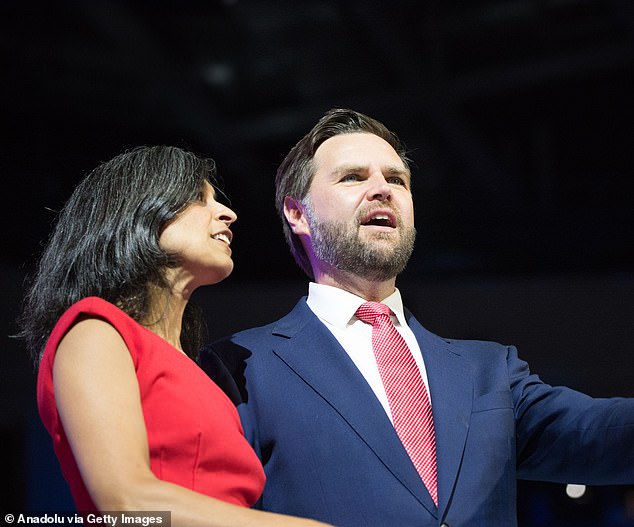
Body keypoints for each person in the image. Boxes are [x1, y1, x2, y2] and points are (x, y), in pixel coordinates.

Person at [200, 109, 634, 527]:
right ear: (297, 214)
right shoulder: (240, 367)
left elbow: (599, 433)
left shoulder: (490, 373)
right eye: (353, 177)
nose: (381, 188)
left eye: (396, 179)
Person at [18, 146, 331, 527]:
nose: (228, 213)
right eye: (200, 199)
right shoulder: (93, 332)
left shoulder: (197, 369)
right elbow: (127, 502)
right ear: (142, 213)